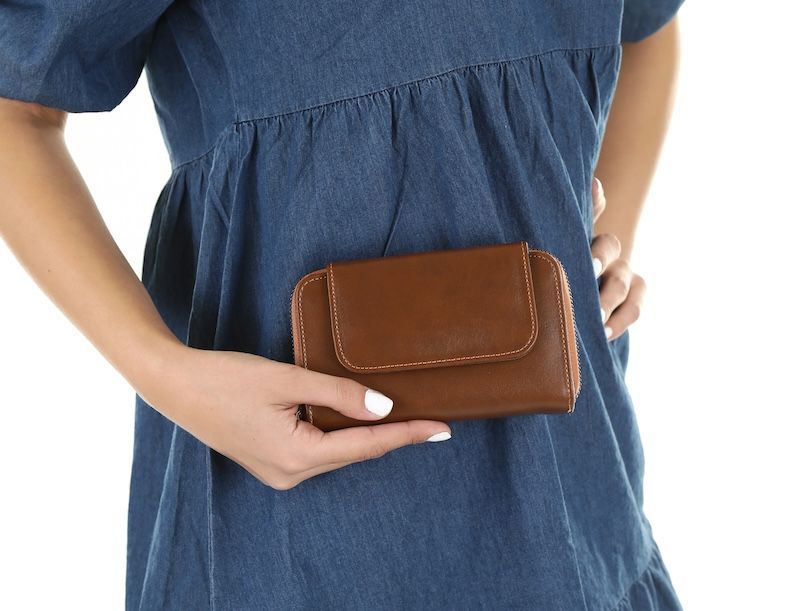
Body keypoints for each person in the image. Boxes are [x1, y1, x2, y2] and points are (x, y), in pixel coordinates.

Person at [0, 1, 684, 608]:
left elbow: (647, 28)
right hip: (289, 513)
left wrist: (598, 247)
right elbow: (14, 106)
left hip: (575, 493)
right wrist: (166, 374)